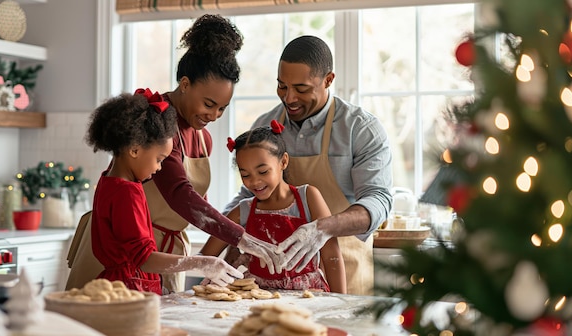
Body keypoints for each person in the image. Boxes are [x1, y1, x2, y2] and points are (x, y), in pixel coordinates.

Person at [66, 14, 280, 293]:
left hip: (165, 255)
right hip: (126, 255)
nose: (214, 115)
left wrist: (221, 249)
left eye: (222, 109)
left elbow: (199, 206)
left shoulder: (203, 138)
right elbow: (181, 196)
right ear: (185, 83)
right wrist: (240, 239)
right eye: (208, 104)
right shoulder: (155, 125)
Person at [224, 35, 393, 295]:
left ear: (328, 80)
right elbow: (249, 197)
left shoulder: (360, 129)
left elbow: (378, 201)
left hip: (346, 270)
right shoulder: (266, 126)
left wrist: (322, 228)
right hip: (276, 284)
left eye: (301, 89)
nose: (289, 98)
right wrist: (229, 240)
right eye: (282, 86)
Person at [83, 88, 243, 294]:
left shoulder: (111, 181)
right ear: (134, 150)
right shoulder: (126, 193)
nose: (159, 168)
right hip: (129, 289)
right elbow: (145, 259)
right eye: (159, 159)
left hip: (127, 283)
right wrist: (202, 263)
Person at [201, 121, 346, 293]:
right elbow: (207, 256)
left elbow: (332, 257)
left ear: (283, 162)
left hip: (307, 294)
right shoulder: (243, 211)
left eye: (263, 172)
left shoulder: (308, 198)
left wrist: (341, 302)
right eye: (245, 175)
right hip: (258, 295)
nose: (254, 182)